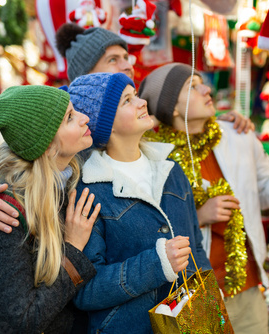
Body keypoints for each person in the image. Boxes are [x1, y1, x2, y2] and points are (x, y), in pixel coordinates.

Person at [0, 24, 252, 239]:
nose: (127, 66)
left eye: (127, 58)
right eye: (113, 60)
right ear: (85, 76)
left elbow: (174, 114)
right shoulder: (61, 122)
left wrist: (221, 119)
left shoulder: (130, 114)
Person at [139, 63, 269, 333]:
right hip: (196, 293)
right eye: (192, 86)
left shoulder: (238, 135)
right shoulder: (154, 157)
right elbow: (148, 230)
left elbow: (264, 195)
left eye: (202, 83)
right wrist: (197, 217)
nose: (206, 89)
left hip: (247, 285)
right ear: (172, 107)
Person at [67, 72, 212, 333]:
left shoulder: (171, 170)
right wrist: (157, 264)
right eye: (127, 100)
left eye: (136, 94)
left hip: (190, 325)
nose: (142, 102)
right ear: (105, 122)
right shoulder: (89, 191)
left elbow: (196, 247)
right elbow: (85, 291)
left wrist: (210, 301)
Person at [0, 85, 101, 333]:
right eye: (69, 117)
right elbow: (23, 317)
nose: (84, 117)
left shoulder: (69, 181)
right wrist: (74, 250)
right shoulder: (2, 212)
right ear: (46, 146)